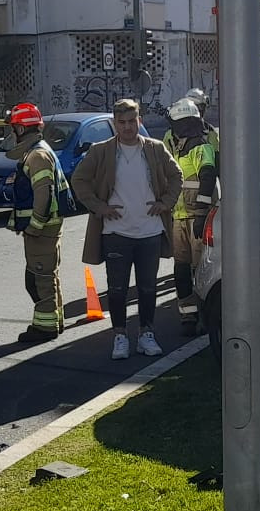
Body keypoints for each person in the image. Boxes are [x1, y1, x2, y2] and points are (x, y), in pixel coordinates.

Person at [71, 98, 181, 359]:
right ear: (114, 124)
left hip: (150, 232)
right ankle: (120, 336)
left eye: (132, 121)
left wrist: (165, 202)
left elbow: (176, 175)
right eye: (122, 122)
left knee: (148, 288)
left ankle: (147, 334)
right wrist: (99, 207)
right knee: (117, 289)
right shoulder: (101, 151)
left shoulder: (154, 149)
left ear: (139, 121)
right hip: (115, 233)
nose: (128, 127)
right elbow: (79, 179)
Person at [5, 102, 69, 345]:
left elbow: (43, 193)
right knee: (47, 275)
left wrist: (34, 225)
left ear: (21, 130)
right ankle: (55, 321)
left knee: (40, 277)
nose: (12, 133)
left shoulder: (38, 155)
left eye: (14, 128)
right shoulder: (38, 151)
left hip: (42, 230)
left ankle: (44, 328)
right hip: (47, 228)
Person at [161, 97, 219, 335]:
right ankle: (188, 316)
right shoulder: (173, 143)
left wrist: (201, 214)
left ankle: (206, 317)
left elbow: (207, 177)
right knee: (182, 269)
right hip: (179, 217)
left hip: (197, 218)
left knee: (201, 271)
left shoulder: (200, 147)